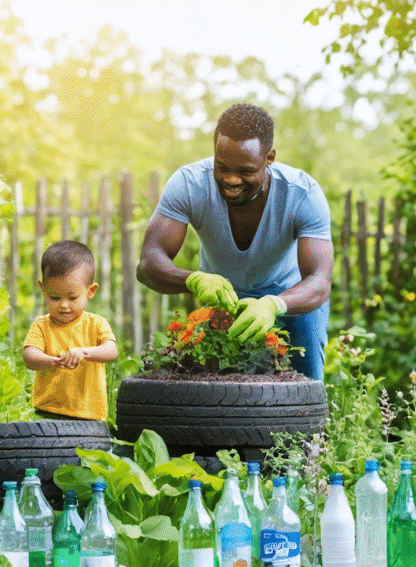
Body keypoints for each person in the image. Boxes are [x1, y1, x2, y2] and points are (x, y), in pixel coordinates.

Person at [137, 103, 334, 379]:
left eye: (245, 171)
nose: (231, 179)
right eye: (222, 167)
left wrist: (273, 305)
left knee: (306, 383)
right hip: (223, 299)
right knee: (214, 384)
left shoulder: (302, 193)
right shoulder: (189, 184)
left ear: (269, 158)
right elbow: (148, 263)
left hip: (291, 299)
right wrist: (194, 280)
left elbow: (319, 281)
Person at [22, 240, 118, 421]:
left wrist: (85, 352)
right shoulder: (42, 325)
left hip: (90, 414)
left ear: (90, 291)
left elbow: (111, 351)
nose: (64, 305)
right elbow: (29, 356)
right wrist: (51, 360)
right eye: (54, 297)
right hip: (47, 411)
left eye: (72, 298)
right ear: (43, 289)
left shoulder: (96, 323)